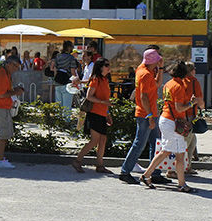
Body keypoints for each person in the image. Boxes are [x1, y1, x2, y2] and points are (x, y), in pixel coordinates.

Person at [140, 60, 196, 193]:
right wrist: (191, 104)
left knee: (165, 151)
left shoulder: (168, 84)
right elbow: (179, 108)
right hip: (174, 122)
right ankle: (182, 184)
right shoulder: (179, 86)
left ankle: (146, 175)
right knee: (180, 155)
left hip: (166, 119)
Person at [119, 49, 162, 184]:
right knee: (140, 144)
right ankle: (125, 172)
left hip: (150, 113)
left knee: (155, 143)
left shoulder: (142, 70)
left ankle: (154, 172)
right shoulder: (145, 74)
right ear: (152, 62)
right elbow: (143, 97)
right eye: (157, 61)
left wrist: (160, 69)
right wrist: (150, 116)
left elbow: (157, 84)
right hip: (146, 114)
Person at [72, 59, 112, 174]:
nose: (109, 67)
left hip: (102, 114)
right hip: (94, 114)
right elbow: (89, 96)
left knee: (102, 140)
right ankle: (78, 161)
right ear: (101, 67)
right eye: (107, 65)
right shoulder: (96, 79)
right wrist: (103, 103)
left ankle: (100, 165)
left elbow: (105, 99)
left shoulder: (105, 80)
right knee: (94, 141)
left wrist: (107, 113)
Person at [0, 56, 24, 169]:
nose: (16, 69)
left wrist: (15, 90)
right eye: (15, 66)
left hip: (1, 107)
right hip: (0, 108)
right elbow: (2, 94)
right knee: (3, 136)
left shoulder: (5, 73)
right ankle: (0, 159)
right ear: (8, 64)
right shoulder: (3, 74)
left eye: (17, 67)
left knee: (4, 135)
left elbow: (4, 91)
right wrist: (16, 91)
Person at [46, 40, 79, 123]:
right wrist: (76, 79)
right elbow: (72, 72)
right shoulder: (71, 58)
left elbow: (52, 68)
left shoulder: (58, 56)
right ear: (69, 47)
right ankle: (66, 123)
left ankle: (59, 121)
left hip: (57, 81)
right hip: (67, 82)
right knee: (67, 105)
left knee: (59, 104)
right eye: (72, 46)